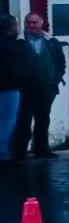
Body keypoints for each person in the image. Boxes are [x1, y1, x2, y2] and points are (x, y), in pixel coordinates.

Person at [12, 12, 66, 159]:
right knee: (24, 119)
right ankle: (20, 150)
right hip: (26, 88)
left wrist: (57, 78)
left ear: (41, 23)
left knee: (43, 118)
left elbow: (60, 62)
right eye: (28, 23)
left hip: (47, 86)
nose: (31, 26)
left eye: (34, 23)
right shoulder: (19, 42)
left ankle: (41, 148)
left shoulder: (52, 41)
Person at [0, 15, 26, 168]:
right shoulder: (13, 46)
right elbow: (18, 69)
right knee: (6, 122)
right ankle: (3, 153)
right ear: (10, 28)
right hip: (9, 88)